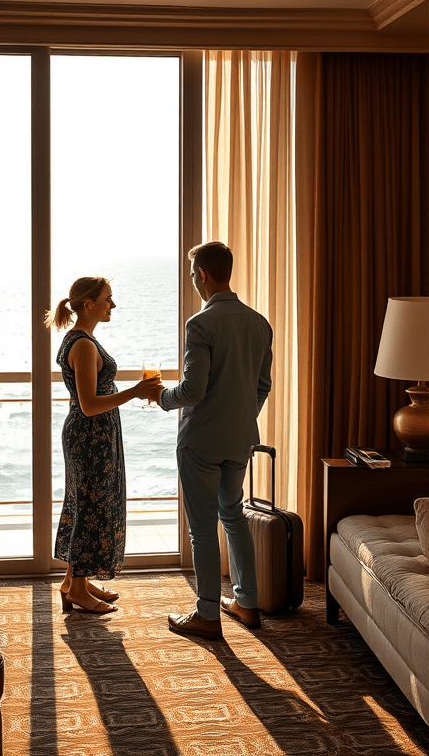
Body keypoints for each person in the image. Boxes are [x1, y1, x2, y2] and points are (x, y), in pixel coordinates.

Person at [155, 241, 273, 640]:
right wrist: (241, 418)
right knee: (233, 516)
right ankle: (247, 602)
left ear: (203, 275)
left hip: (202, 441)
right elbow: (262, 386)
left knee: (203, 530)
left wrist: (159, 398)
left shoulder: (199, 324)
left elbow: (192, 391)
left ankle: (207, 614)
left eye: (193, 275)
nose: (193, 282)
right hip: (241, 439)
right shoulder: (259, 323)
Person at [45, 277, 164, 614]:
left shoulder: (84, 339)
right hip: (88, 435)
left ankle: (73, 582)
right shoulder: (82, 344)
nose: (112, 305)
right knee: (90, 507)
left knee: (86, 503)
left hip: (96, 434)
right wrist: (137, 391)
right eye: (107, 299)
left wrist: (132, 392)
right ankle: (78, 590)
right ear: (88, 304)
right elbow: (88, 404)